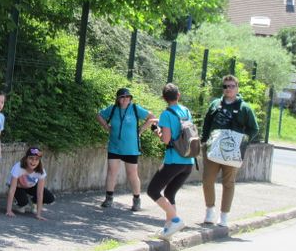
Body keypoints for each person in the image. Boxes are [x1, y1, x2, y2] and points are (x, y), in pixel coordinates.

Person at [201, 74, 259, 227]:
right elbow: (206, 123)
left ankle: (224, 215)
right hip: (213, 148)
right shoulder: (215, 104)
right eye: (226, 86)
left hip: (232, 151)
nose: (228, 89)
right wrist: (204, 140)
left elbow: (254, 128)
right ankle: (209, 210)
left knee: (228, 183)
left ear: (237, 88)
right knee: (207, 180)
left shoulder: (244, 108)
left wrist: (242, 141)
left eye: (232, 86)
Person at [147, 83, 195, 240]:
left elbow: (166, 140)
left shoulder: (166, 114)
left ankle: (175, 220)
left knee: (152, 191)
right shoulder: (186, 111)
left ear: (163, 98)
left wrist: (157, 131)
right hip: (188, 160)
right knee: (169, 193)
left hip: (174, 160)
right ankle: (168, 230)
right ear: (178, 95)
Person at [96, 87, 156, 211]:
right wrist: (106, 127)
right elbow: (99, 115)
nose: (125, 99)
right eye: (122, 97)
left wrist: (141, 130)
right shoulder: (113, 109)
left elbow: (151, 117)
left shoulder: (135, 108)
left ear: (130, 98)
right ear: (118, 99)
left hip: (131, 148)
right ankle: (109, 199)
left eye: (127, 97)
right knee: (111, 172)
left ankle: (136, 200)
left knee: (132, 174)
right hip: (114, 147)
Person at [5, 147, 55, 220]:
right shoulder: (18, 167)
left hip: (31, 186)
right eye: (31, 158)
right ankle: (18, 202)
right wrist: (9, 210)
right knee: (23, 203)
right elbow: (12, 189)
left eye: (36, 159)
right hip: (18, 186)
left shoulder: (41, 171)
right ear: (26, 158)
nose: (33, 161)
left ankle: (33, 202)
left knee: (50, 198)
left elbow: (40, 193)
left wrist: (38, 215)